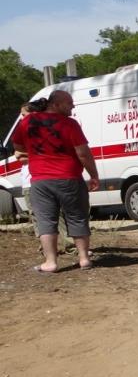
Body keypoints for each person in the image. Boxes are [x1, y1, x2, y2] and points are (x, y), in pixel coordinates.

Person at [11, 90, 99, 272]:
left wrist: (35, 154)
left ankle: (50, 262)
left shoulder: (28, 121)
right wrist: (94, 175)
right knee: (77, 217)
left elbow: (17, 146)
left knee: (45, 220)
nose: (73, 106)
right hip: (69, 178)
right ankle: (84, 259)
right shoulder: (70, 124)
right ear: (56, 104)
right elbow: (83, 153)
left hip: (40, 181)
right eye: (69, 103)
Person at [17, 102, 74, 254]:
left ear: (34, 114)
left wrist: (26, 155)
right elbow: (18, 154)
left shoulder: (44, 130)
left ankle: (68, 244)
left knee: (56, 214)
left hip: (40, 180)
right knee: (36, 216)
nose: (21, 119)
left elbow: (25, 155)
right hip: (29, 180)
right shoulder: (26, 131)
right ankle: (46, 245)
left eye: (24, 115)